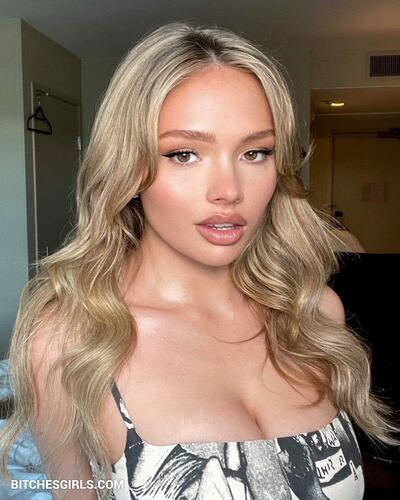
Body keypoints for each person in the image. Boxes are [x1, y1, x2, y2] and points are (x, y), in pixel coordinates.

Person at [0, 22, 399, 499]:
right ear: (130, 166)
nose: (228, 191)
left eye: (256, 152)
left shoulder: (313, 314)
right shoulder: (70, 341)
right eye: (184, 154)